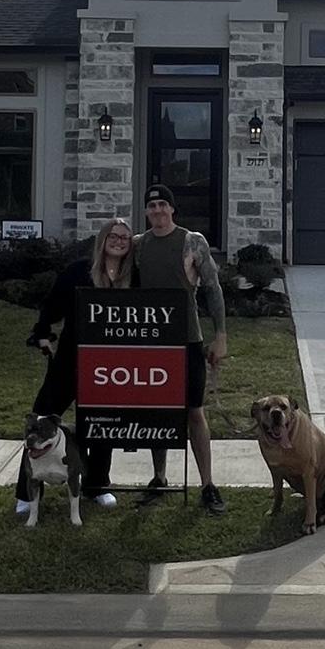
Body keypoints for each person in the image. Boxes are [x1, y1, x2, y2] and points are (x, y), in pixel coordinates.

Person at [14, 218, 135, 514]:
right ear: (102, 239)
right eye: (113, 235)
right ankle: (27, 492)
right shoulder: (78, 270)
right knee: (43, 416)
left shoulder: (134, 276)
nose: (118, 241)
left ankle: (97, 485)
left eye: (124, 237)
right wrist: (42, 333)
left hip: (109, 364)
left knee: (103, 424)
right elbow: (52, 304)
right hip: (71, 357)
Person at [135, 183, 227, 515]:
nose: (157, 210)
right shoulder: (139, 245)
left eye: (163, 204)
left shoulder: (192, 241)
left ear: (172, 209)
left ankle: (208, 485)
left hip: (188, 340)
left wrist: (220, 336)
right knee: (156, 411)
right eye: (152, 206)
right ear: (146, 212)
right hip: (152, 343)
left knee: (194, 412)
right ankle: (159, 478)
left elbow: (213, 289)